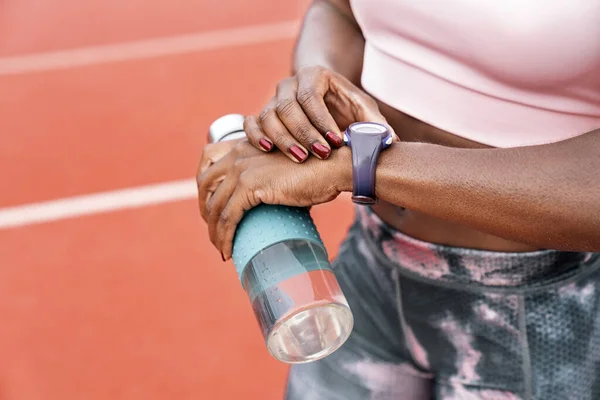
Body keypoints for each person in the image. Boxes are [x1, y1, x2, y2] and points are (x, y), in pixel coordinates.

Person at [196, 0, 600, 398]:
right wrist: (310, 103)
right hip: (369, 269)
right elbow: (337, 10)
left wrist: (361, 167)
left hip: (545, 314)